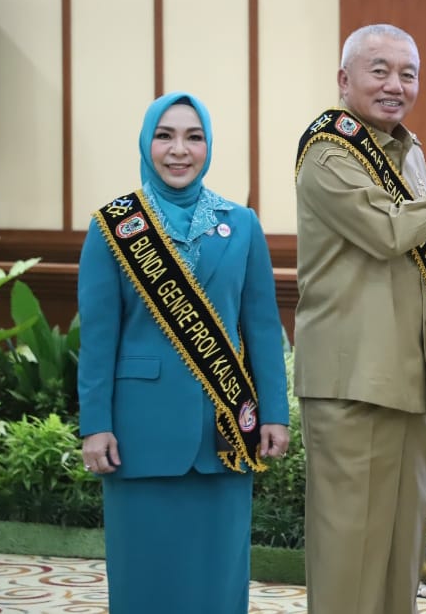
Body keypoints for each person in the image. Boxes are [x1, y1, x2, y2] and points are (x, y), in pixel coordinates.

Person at [293, 23, 426, 614]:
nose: (395, 85)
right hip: (352, 378)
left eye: (408, 74)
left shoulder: (406, 149)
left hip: (408, 374)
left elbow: (414, 248)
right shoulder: (328, 151)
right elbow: (388, 232)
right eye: (379, 70)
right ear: (344, 79)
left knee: (398, 548)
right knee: (348, 551)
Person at [77, 91, 291, 614]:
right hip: (139, 433)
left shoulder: (241, 224)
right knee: (144, 576)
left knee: (217, 576)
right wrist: (95, 424)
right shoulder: (113, 227)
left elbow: (263, 328)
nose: (179, 150)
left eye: (194, 137)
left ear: (209, 146)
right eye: (165, 136)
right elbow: (98, 339)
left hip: (224, 429)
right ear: (146, 143)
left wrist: (275, 413)